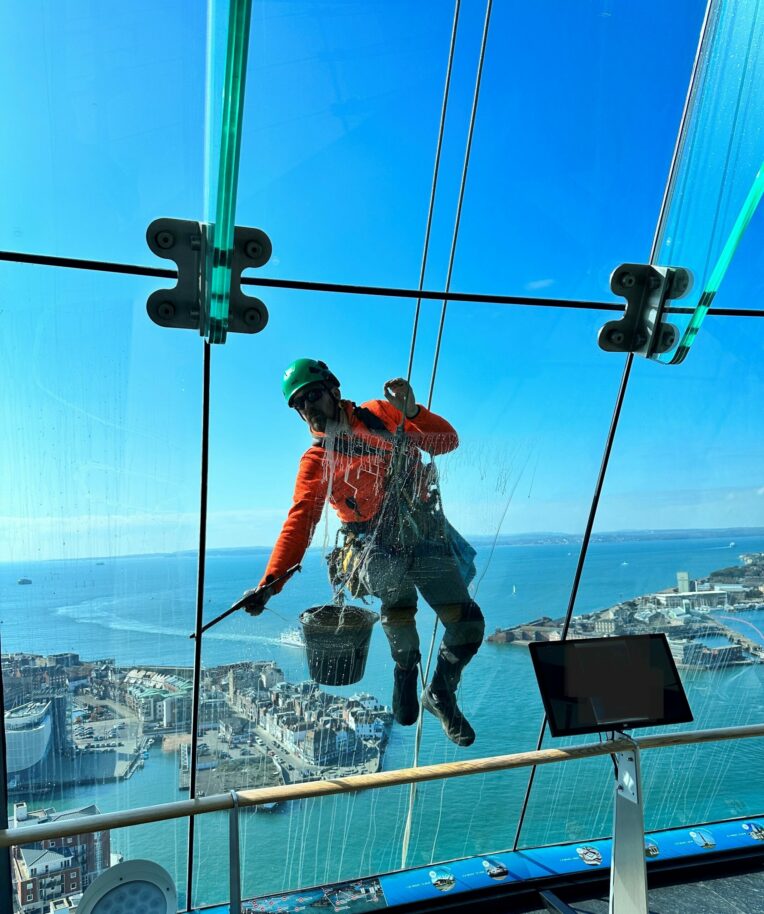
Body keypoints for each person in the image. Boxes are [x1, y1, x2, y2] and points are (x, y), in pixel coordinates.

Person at [241, 358, 484, 746]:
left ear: (334, 391)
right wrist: (270, 583)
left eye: (314, 397)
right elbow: (300, 521)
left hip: (422, 534)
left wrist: (412, 413)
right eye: (299, 404)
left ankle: (440, 692)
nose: (308, 409)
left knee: (469, 624)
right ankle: (406, 667)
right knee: (393, 585)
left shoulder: (382, 415)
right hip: (374, 550)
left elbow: (447, 442)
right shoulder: (317, 461)